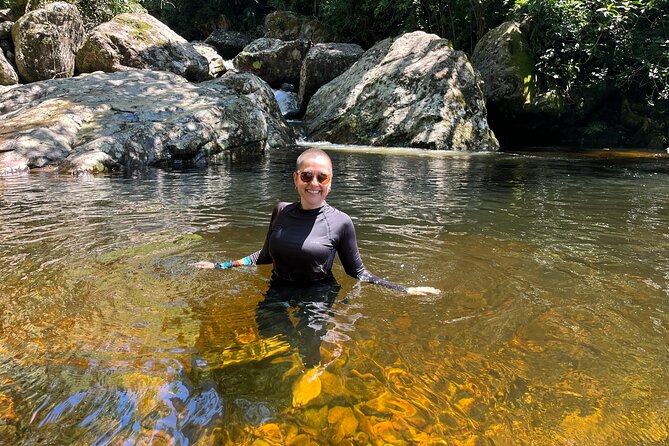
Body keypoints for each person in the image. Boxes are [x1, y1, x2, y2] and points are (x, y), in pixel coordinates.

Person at [193, 148, 440, 296]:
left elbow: (358, 273)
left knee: (309, 357)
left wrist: (403, 290)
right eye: (307, 176)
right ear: (296, 178)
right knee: (268, 341)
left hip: (317, 298)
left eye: (322, 177)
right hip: (277, 291)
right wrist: (219, 266)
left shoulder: (341, 222)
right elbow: (265, 256)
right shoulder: (280, 211)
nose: (314, 183)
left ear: (330, 183)